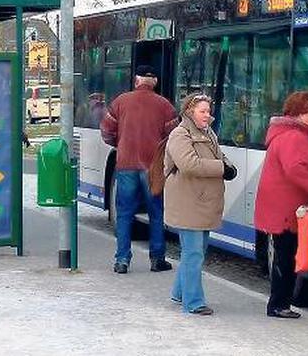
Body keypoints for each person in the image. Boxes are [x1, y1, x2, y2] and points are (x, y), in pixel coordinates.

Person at [254, 92, 308, 319]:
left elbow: (306, 158)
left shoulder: (287, 134)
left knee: (285, 255)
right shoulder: (295, 137)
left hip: (280, 207)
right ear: (301, 113)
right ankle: (279, 305)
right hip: (286, 210)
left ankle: (280, 303)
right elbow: (295, 168)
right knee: (285, 256)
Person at [100, 67, 179, 274]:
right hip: (152, 167)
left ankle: (122, 260)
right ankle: (157, 259)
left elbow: (107, 130)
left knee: (125, 213)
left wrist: (120, 143)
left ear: (136, 81)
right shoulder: (165, 105)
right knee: (156, 212)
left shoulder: (120, 102)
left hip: (125, 164)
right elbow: (174, 136)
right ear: (155, 83)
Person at [163, 93, 235, 315]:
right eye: (202, 111)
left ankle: (179, 292)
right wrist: (221, 169)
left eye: (208, 110)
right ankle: (193, 302)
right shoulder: (180, 135)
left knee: (196, 251)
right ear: (189, 111)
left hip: (201, 203)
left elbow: (219, 155)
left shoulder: (206, 132)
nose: (207, 115)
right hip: (188, 202)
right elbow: (189, 165)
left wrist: (229, 166)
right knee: (193, 253)